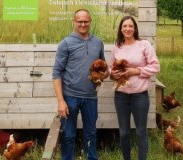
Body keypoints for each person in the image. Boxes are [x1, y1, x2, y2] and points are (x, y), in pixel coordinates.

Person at [52, 9, 107, 160]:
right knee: (68, 135)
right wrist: (61, 101)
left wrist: (104, 75)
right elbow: (56, 73)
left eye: (86, 21)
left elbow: (103, 67)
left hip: (91, 97)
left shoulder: (98, 43)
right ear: (74, 22)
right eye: (80, 21)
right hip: (70, 97)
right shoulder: (66, 43)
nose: (83, 24)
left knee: (91, 133)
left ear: (90, 22)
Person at [109, 16, 160, 160]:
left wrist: (135, 71)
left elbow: (155, 66)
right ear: (121, 29)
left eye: (130, 26)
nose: (127, 29)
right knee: (124, 132)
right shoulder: (117, 46)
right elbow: (112, 71)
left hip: (140, 96)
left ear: (135, 28)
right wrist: (114, 74)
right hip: (121, 96)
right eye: (124, 26)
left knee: (141, 131)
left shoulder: (144, 45)